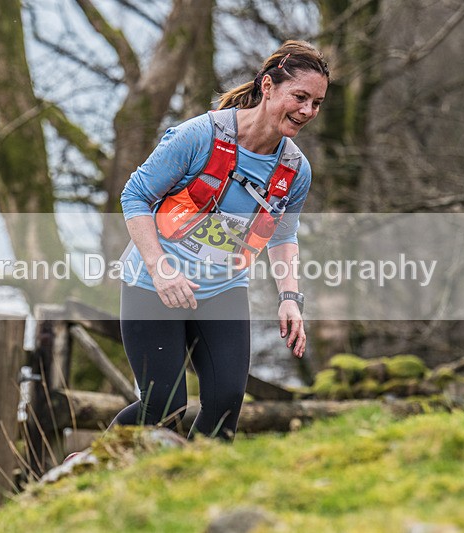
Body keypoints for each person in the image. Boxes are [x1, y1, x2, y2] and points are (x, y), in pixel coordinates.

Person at [110, 40, 329, 441]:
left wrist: (289, 298)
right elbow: (135, 195)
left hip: (223, 287)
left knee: (226, 402)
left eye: (316, 103)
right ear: (268, 87)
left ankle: (194, 477)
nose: (307, 111)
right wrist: (160, 268)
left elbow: (284, 234)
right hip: (154, 285)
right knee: (164, 406)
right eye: (300, 97)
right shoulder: (199, 136)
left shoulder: (295, 169)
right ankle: (89, 467)